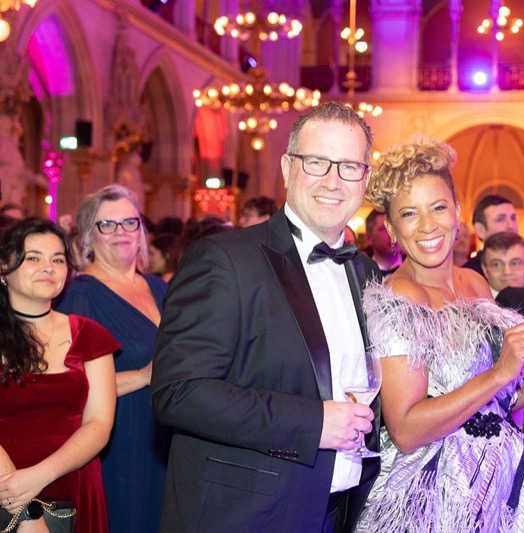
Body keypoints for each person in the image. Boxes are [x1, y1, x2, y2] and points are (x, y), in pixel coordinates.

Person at [150, 102, 383, 532]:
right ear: (287, 168)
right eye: (317, 162)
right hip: (245, 517)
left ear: (365, 179)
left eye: (349, 166)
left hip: (339, 514)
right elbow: (178, 392)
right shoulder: (225, 259)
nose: (333, 181)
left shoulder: (366, 272)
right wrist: (313, 423)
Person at [354, 134, 524, 532]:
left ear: (457, 211)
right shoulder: (400, 297)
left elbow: (497, 406)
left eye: (438, 207)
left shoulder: (474, 283)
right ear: (391, 227)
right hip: (436, 496)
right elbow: (405, 430)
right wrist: (499, 372)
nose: (428, 225)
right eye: (409, 213)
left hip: (502, 482)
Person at [56, 185, 170, 533]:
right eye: (107, 224)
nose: (121, 232)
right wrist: (144, 375)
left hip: (165, 435)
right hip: (119, 440)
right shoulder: (80, 295)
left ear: (141, 229)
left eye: (129, 222)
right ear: (89, 236)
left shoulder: (159, 287)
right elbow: (71, 388)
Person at [0, 217, 119, 533]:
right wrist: (24, 509)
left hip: (74, 484)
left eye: (57, 259)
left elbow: (99, 424)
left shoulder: (88, 334)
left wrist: (39, 476)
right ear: (4, 268)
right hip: (5, 486)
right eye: (33, 258)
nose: (48, 268)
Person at [462, 194, 519, 275]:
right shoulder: (467, 275)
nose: (511, 226)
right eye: (500, 219)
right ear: (481, 230)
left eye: (513, 218)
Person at [480, 231, 524, 297]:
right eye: (497, 264)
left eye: (515, 263)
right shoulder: (472, 303)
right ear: (485, 269)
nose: (507, 272)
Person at [364, 208, 402, 278]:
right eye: (384, 229)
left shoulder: (418, 269)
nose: (392, 234)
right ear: (368, 238)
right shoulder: (360, 273)